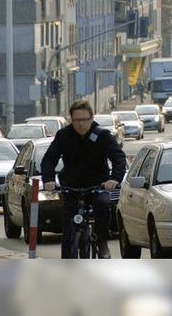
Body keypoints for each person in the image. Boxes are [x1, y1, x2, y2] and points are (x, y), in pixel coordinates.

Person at [41, 99, 126, 259]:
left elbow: (118, 158)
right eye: (76, 120)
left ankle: (102, 242)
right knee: (68, 229)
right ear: (71, 120)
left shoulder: (102, 135)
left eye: (84, 120)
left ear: (91, 118)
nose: (81, 124)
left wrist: (114, 179)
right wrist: (48, 179)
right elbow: (49, 159)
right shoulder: (64, 135)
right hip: (71, 187)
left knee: (102, 205)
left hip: (97, 185)